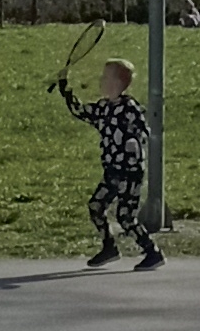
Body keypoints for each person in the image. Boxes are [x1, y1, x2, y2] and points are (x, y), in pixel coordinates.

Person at [60, 54, 162, 271]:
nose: (101, 81)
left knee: (126, 217)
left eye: (106, 78)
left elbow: (143, 131)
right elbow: (81, 111)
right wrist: (65, 91)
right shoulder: (104, 108)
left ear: (118, 83)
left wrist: (134, 144)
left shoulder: (130, 108)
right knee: (96, 206)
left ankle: (152, 252)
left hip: (129, 172)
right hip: (112, 171)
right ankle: (109, 247)